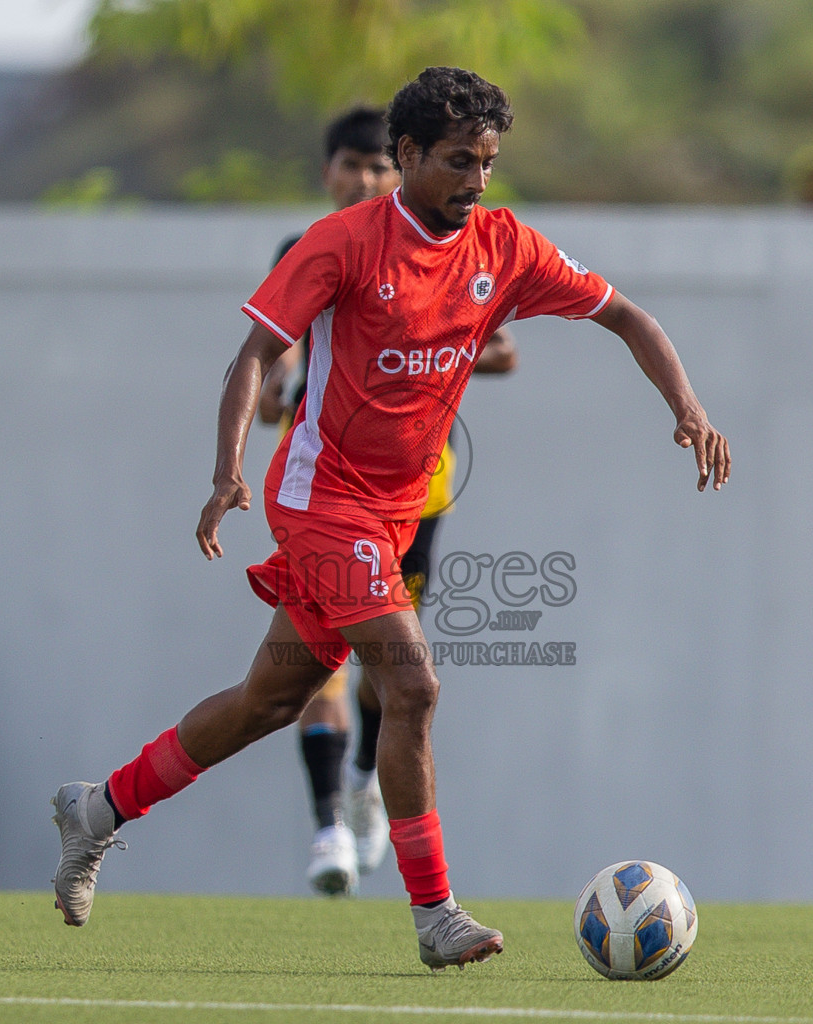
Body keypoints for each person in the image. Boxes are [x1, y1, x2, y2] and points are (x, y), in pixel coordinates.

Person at [51, 66, 730, 971]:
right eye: (459, 161)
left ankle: (95, 809)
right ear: (405, 156)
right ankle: (435, 914)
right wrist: (227, 473)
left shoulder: (506, 246)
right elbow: (257, 351)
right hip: (319, 502)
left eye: (488, 162)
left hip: (393, 514)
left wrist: (687, 408)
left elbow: (627, 317)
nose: (477, 180)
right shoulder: (343, 244)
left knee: (269, 702)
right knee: (413, 687)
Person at [257, 106, 519, 897]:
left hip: (415, 489)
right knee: (318, 669)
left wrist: (434, 348)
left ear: (397, 168)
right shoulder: (313, 246)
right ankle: (330, 823)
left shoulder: (451, 246)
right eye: (351, 165)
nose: (364, 180)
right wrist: (277, 377)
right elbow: (281, 342)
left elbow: (501, 346)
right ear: (328, 171)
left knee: (386, 666)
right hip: (323, 484)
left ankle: (369, 780)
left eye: (375, 168)